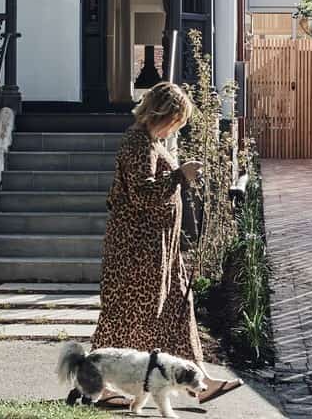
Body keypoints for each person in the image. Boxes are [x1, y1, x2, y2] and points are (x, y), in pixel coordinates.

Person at [90, 81, 242, 407]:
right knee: (124, 319)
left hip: (159, 250)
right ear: (163, 114)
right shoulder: (136, 142)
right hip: (136, 252)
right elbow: (143, 194)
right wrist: (179, 175)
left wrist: (179, 175)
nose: (178, 126)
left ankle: (202, 382)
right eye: (177, 119)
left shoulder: (152, 142)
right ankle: (98, 386)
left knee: (178, 310)